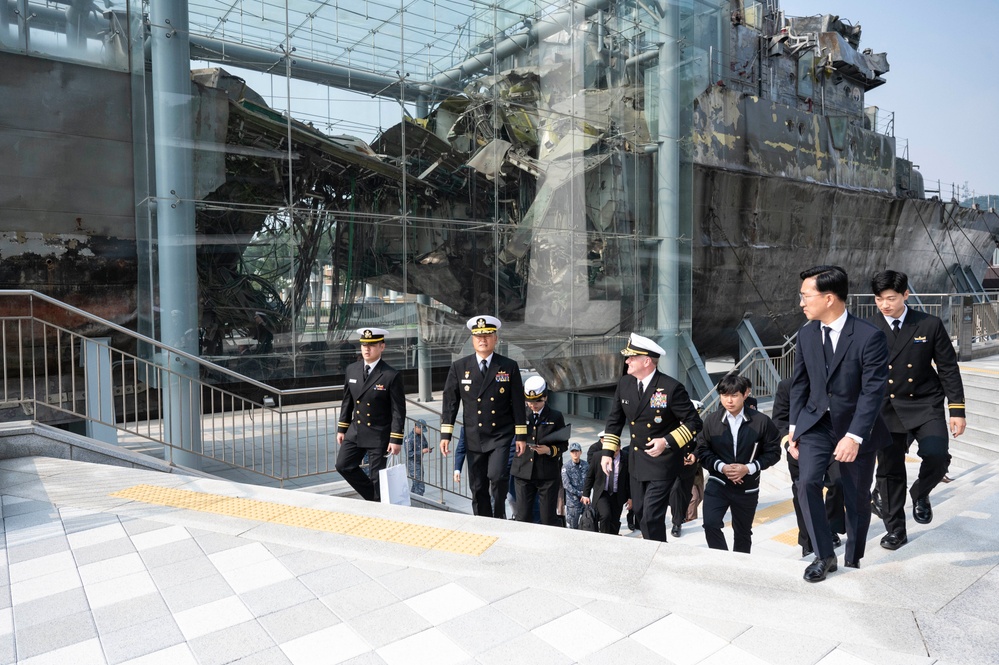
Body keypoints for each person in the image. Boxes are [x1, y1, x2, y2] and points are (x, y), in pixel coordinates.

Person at [789, 265, 890, 582]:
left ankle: (853, 559)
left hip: (856, 428)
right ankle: (824, 555)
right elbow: (800, 384)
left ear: (829, 298)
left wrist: (855, 436)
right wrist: (794, 428)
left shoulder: (869, 336)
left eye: (806, 296)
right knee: (806, 484)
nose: (802, 303)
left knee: (855, 498)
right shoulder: (806, 334)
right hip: (817, 424)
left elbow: (874, 391)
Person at [868, 270, 966, 550]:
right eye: (879, 299)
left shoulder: (929, 324)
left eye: (891, 298)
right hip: (886, 408)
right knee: (889, 473)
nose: (885, 305)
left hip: (925, 403)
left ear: (905, 295)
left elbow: (948, 367)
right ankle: (896, 530)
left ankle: (920, 492)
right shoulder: (867, 328)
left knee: (936, 455)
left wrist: (957, 410)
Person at [601, 333, 703, 542]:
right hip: (637, 461)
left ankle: (655, 553)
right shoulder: (625, 384)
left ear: (646, 361)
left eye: (631, 357)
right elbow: (614, 421)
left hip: (662, 463)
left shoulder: (671, 388)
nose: (627, 361)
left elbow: (694, 423)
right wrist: (607, 453)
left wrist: (666, 441)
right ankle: (655, 547)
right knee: (639, 512)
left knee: (650, 516)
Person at [439, 315, 527, 519]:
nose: (482, 340)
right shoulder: (460, 367)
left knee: (497, 477)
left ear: (495, 338)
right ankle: (483, 520)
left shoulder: (508, 366)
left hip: (500, 436)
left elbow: (517, 404)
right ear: (472, 339)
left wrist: (521, 436)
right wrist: (446, 434)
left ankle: (498, 517)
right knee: (478, 486)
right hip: (473, 436)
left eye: (487, 335)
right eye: (478, 336)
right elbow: (450, 402)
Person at [693, 373, 781, 553]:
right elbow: (702, 450)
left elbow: (774, 452)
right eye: (725, 395)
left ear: (745, 394)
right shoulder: (711, 420)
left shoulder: (761, 421)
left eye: (734, 395)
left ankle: (740, 567)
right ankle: (723, 561)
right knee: (710, 524)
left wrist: (747, 468)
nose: (729, 400)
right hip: (718, 483)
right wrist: (722, 467)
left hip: (747, 487)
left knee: (742, 532)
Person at [772, 377, 846, 557]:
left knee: (839, 482)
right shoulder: (787, 385)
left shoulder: (834, 381)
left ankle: (830, 527)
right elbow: (779, 419)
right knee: (802, 493)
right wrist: (788, 445)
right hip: (799, 447)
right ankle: (808, 540)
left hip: (832, 444)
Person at [335, 328, 406, 501]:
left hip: (378, 433)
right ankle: (373, 498)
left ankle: (378, 506)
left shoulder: (390, 375)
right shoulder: (352, 369)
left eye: (372, 345)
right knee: (343, 465)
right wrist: (342, 428)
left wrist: (395, 439)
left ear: (382, 347)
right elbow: (347, 401)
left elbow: (398, 410)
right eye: (364, 345)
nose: (367, 349)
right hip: (356, 430)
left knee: (377, 479)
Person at [511, 376, 568, 526]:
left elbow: (564, 444)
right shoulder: (520, 414)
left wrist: (549, 450)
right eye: (529, 401)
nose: (533, 405)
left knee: (548, 519)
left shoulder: (555, 416)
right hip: (523, 471)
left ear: (545, 398)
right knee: (522, 516)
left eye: (537, 401)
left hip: (547, 474)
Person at [582, 438, 630, 535]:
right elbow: (590, 476)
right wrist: (586, 494)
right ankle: (604, 537)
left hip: (618, 494)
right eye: (612, 451)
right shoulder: (598, 456)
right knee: (605, 515)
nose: (614, 454)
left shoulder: (626, 457)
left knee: (615, 519)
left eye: (616, 451)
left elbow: (630, 479)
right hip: (602, 493)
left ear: (620, 448)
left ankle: (614, 536)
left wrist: (630, 497)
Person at [561, 443, 588, 529]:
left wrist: (586, 494)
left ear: (580, 452)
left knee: (587, 525)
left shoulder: (586, 465)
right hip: (573, 502)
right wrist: (580, 493)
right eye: (573, 451)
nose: (575, 453)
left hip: (584, 501)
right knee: (572, 528)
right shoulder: (566, 467)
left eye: (577, 451)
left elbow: (589, 480)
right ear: (570, 453)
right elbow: (566, 485)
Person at [404, 419, 432, 496]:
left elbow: (425, 444)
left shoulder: (421, 436)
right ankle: (418, 503)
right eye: (421, 429)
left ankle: (413, 500)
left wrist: (428, 449)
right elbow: (409, 454)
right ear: (416, 427)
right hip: (412, 464)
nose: (422, 432)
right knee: (420, 486)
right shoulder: (409, 438)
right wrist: (422, 451)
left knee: (416, 485)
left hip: (419, 463)